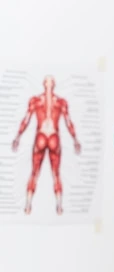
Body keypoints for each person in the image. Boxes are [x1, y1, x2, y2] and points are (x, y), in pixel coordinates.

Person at [12, 75, 81, 215]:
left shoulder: (36, 101)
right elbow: (68, 122)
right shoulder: (60, 102)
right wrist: (75, 139)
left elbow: (26, 119)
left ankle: (28, 206)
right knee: (56, 174)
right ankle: (59, 207)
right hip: (53, 137)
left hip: (41, 137)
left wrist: (18, 136)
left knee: (35, 172)